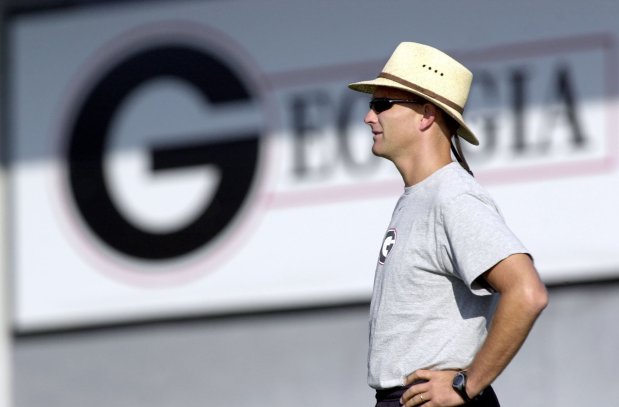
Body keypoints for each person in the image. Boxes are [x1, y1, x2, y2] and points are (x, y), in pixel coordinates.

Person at [348, 42, 548, 407]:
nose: (369, 118)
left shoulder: (452, 197)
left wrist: (465, 385)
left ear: (426, 115)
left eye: (381, 105)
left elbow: (527, 292)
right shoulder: (424, 196)